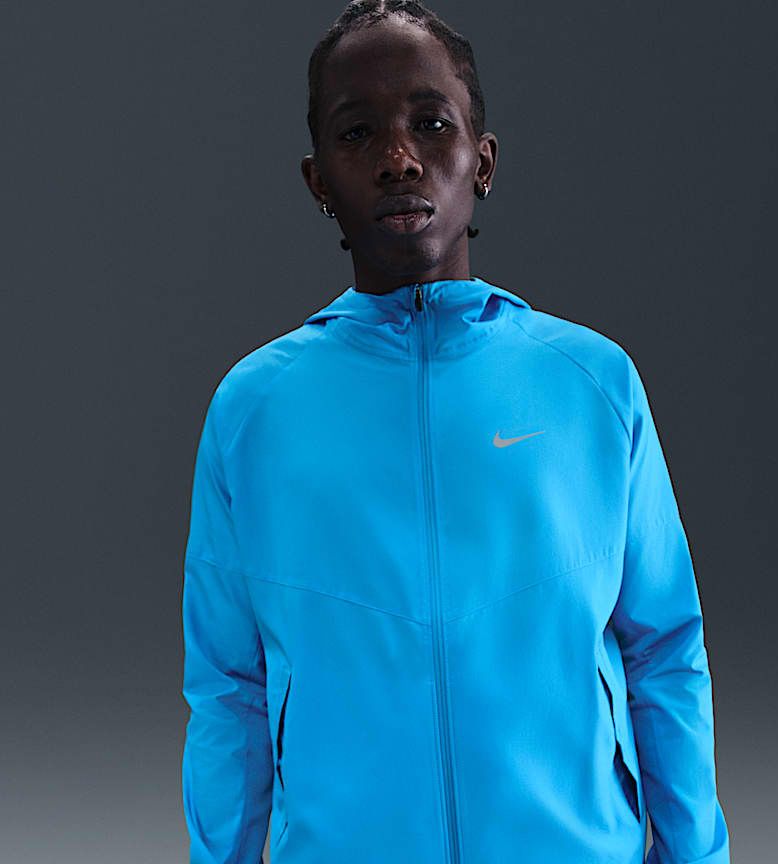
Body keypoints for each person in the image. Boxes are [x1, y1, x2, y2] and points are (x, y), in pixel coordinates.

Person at [180, 2, 732, 863]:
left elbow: (664, 648)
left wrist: (697, 854)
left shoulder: (593, 383)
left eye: (431, 124)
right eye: (357, 132)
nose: (399, 158)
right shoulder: (255, 409)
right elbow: (229, 688)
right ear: (318, 180)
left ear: (483, 160)